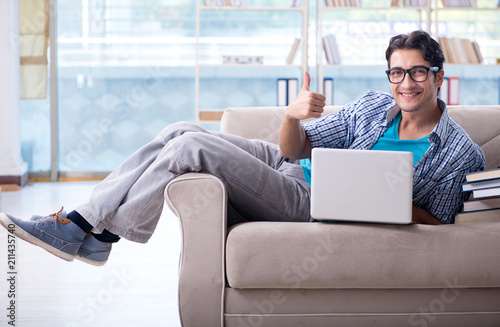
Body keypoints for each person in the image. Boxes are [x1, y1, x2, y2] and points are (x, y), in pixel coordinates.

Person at [0, 30, 485, 266]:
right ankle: (99, 238)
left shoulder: (459, 151)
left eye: (419, 72)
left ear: (439, 77)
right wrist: (293, 117)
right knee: (179, 128)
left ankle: (84, 227)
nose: (407, 83)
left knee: (192, 146)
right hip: (291, 170)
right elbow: (297, 150)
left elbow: (440, 222)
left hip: (311, 204)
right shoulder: (373, 106)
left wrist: (388, 195)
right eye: (398, 72)